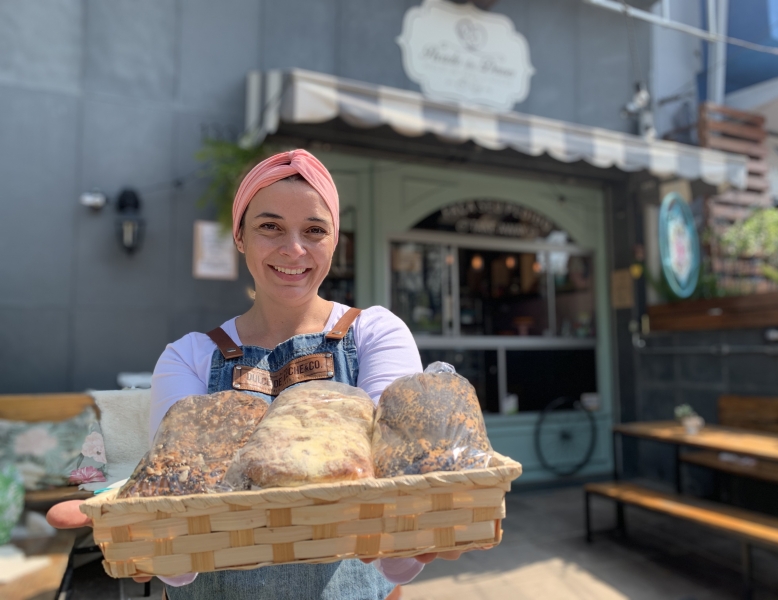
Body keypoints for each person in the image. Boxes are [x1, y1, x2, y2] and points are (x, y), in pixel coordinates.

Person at [47, 149, 470, 600]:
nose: (294, 249)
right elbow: (177, 502)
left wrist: (414, 532)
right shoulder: (189, 357)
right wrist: (154, 537)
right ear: (240, 237)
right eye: (270, 226)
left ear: (334, 241)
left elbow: (395, 487)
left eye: (315, 230)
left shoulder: (375, 333)